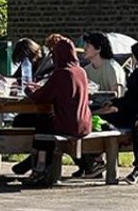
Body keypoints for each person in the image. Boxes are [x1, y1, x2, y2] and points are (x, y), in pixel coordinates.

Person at [18, 39, 91, 187]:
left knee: (43, 124)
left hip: (68, 124)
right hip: (84, 122)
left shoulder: (62, 73)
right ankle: (40, 166)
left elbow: (41, 96)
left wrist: (29, 89)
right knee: (46, 120)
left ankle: (41, 167)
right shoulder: (80, 71)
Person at [92, 39, 138, 184]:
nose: (132, 58)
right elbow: (130, 97)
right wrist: (114, 103)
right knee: (104, 119)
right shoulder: (136, 73)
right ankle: (97, 160)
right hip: (131, 111)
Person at [81, 32, 125, 97]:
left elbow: (117, 95)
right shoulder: (86, 70)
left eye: (88, 46)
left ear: (98, 49)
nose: (84, 48)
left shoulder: (112, 68)